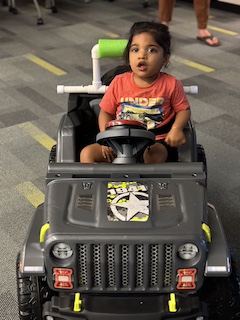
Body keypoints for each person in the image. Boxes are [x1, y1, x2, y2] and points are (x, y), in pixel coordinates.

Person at [80, 21, 191, 164]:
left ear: (165, 59)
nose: (142, 56)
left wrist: (177, 129)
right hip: (118, 140)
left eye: (151, 50)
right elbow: (105, 112)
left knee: (158, 153)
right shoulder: (119, 82)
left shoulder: (171, 84)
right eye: (135, 50)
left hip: (153, 142)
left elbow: (184, 110)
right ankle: (97, 184)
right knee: (87, 154)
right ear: (129, 55)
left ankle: (145, 182)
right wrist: (106, 138)